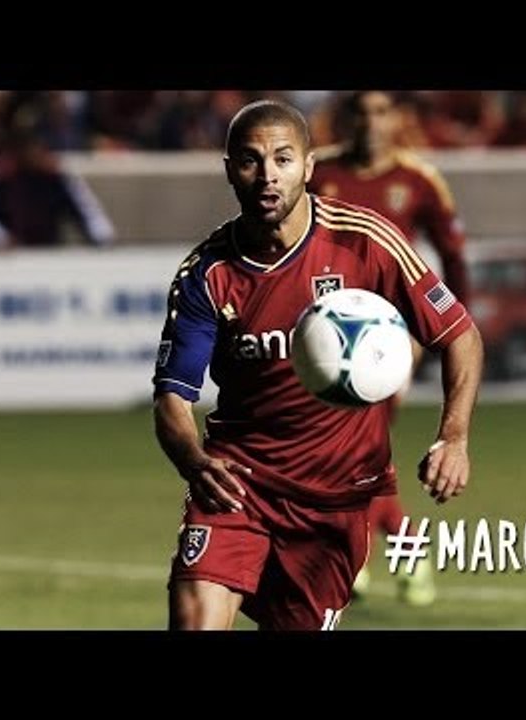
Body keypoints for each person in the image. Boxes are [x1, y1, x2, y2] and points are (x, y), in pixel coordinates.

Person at [153, 99, 483, 630]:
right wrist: (195, 462)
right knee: (194, 620)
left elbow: (460, 334)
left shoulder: (365, 241)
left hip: (336, 502)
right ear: (230, 171)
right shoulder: (207, 274)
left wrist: (454, 437)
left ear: (308, 167)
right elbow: (172, 397)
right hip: (239, 485)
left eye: (283, 159)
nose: (268, 175)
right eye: (251, 160)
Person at [308, 90, 470, 606]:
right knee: (346, 453)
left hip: (394, 333)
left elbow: (453, 254)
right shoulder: (317, 173)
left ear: (397, 119)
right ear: (346, 119)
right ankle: (400, 551)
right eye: (361, 112)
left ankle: (356, 557)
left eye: (381, 112)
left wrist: (451, 331)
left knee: (360, 445)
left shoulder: (418, 179)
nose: (370, 122)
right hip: (330, 334)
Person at [0, 103, 115, 250]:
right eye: (24, 145)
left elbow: (89, 212)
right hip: (8, 256)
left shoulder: (57, 175)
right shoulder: (0, 175)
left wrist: (102, 237)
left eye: (36, 144)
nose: (31, 151)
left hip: (47, 252)